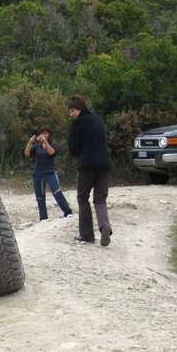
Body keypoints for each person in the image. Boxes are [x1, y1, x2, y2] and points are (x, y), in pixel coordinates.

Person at [67, 95, 112, 246]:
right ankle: (104, 226)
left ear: (78, 109)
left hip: (87, 166)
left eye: (72, 111)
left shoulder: (78, 123)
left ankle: (86, 235)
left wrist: (79, 153)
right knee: (100, 199)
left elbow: (73, 148)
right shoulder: (98, 120)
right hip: (104, 165)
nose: (71, 114)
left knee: (82, 198)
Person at [24, 127, 73, 220]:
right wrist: (30, 143)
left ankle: (68, 212)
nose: (44, 135)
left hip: (50, 173)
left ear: (49, 135)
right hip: (37, 174)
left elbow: (52, 153)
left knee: (57, 192)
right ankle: (43, 218)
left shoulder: (52, 145)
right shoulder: (36, 147)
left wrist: (45, 142)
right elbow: (27, 154)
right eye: (42, 133)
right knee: (40, 197)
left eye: (46, 133)